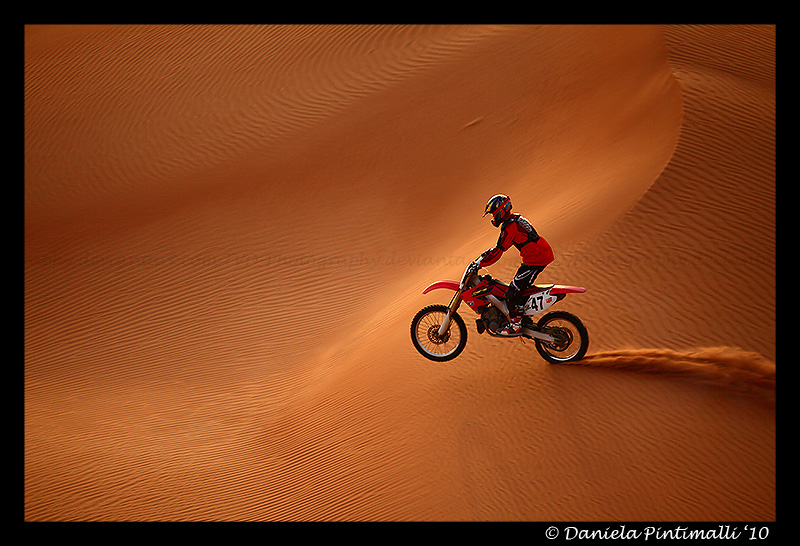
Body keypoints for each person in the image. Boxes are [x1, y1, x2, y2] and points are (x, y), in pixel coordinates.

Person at [480, 194, 554, 335]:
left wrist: (482, 263)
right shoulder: (515, 219)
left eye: (492, 213)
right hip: (536, 256)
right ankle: (524, 318)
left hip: (536, 258)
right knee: (520, 289)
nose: (493, 217)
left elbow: (499, 250)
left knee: (513, 291)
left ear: (500, 210)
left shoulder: (510, 227)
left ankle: (516, 325)